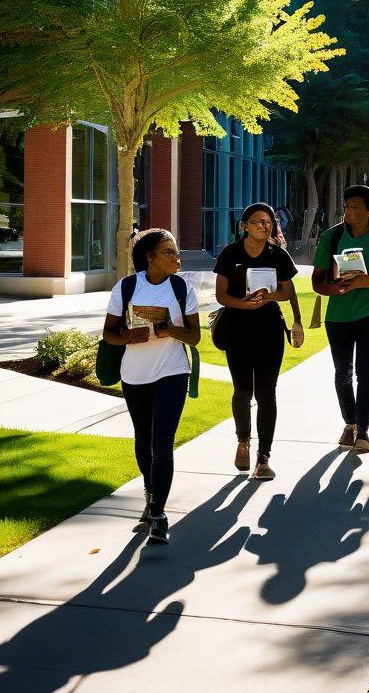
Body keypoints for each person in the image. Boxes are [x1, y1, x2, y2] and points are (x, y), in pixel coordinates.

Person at [103, 229, 200, 545]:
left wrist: (170, 329)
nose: (176, 257)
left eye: (176, 252)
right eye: (169, 252)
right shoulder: (127, 287)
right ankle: (150, 492)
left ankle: (158, 514)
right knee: (143, 441)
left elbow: (195, 336)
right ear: (150, 257)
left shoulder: (182, 288)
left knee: (162, 442)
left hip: (172, 372)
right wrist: (127, 336)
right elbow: (109, 334)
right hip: (134, 375)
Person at [214, 202, 303, 481]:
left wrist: (289, 315)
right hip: (237, 328)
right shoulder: (230, 254)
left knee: (266, 393)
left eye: (267, 222)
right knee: (242, 391)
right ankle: (243, 442)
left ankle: (263, 458)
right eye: (256, 222)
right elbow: (221, 296)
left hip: (269, 330)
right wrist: (244, 305)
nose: (263, 226)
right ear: (244, 226)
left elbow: (288, 292)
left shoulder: (278, 255)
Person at [312, 185, 369, 455]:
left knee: (366, 372)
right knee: (342, 373)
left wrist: (362, 282)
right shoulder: (331, 236)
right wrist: (337, 286)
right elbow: (317, 281)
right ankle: (349, 423)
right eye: (347, 206)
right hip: (338, 315)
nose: (351, 212)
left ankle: (363, 431)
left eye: (357, 207)